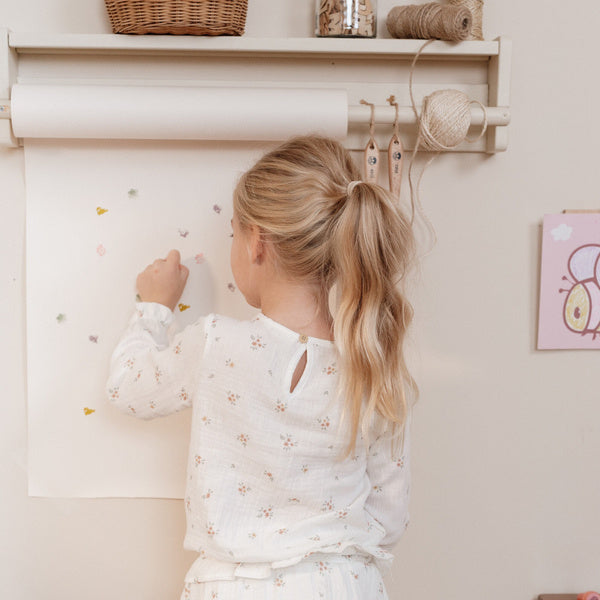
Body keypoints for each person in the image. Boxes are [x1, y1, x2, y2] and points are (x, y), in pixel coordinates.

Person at [106, 135, 417, 599]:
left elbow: (127, 388)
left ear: (256, 242)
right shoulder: (374, 362)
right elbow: (388, 518)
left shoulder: (216, 344)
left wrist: (155, 307)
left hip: (237, 586)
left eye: (233, 233)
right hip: (345, 583)